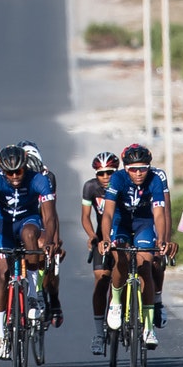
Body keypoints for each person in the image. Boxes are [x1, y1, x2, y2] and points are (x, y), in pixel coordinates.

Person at [0, 145, 60, 359]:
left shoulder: (39, 180)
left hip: (28, 223)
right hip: (3, 229)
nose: (15, 176)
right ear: (2, 170)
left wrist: (51, 240)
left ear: (25, 168)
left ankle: (33, 296)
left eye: (19, 171)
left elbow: (50, 216)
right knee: (2, 274)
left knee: (31, 236)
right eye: (10, 172)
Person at [97, 143, 171, 348]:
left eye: (143, 169)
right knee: (121, 260)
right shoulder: (117, 179)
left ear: (149, 167)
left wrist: (162, 239)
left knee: (145, 266)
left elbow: (159, 213)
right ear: (126, 169)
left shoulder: (155, 179)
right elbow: (108, 213)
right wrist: (105, 238)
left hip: (143, 224)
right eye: (133, 169)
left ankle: (148, 328)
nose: (139, 173)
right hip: (121, 223)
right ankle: (116, 302)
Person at [79, 150, 121, 355]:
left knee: (123, 275)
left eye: (109, 172)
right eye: (101, 173)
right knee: (100, 278)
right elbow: (86, 217)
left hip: (121, 235)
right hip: (101, 237)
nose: (105, 177)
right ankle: (98, 333)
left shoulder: (124, 185)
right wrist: (91, 236)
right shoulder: (90, 187)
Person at [16, 141, 63, 326]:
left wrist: (55, 240)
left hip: (38, 219)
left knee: (47, 254)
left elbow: (50, 213)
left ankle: (52, 298)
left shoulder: (47, 177)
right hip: (18, 221)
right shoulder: (10, 176)